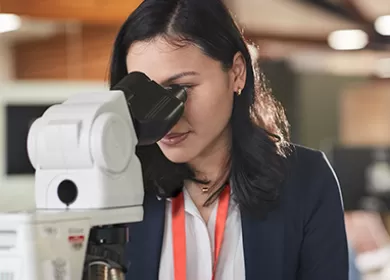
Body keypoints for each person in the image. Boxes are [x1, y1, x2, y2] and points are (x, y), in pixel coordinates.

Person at [109, 1, 349, 279]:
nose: (163, 118)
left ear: (236, 72)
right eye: (146, 94)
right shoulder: (115, 190)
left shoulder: (307, 180)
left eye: (182, 88)